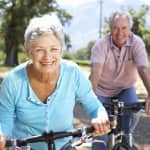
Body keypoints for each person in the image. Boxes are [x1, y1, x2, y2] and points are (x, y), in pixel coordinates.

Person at [0, 13, 110, 150]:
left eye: (54, 49)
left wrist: (100, 116)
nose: (47, 56)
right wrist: (2, 134)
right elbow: (5, 117)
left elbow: (94, 105)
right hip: (24, 147)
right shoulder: (12, 81)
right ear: (28, 51)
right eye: (39, 50)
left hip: (63, 145)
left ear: (61, 50)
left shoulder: (73, 73)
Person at [89, 10, 150, 150]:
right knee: (100, 137)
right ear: (110, 28)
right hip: (102, 91)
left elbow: (143, 69)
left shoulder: (137, 43)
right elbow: (95, 75)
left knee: (126, 131)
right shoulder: (100, 45)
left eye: (124, 28)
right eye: (115, 28)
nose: (119, 32)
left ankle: (125, 139)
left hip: (125, 88)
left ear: (130, 29)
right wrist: (91, 102)